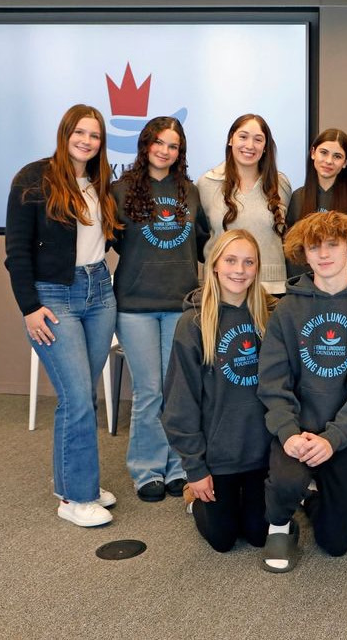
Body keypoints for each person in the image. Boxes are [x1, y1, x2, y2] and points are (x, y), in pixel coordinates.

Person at [5, 104, 119, 527]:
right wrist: (29, 308)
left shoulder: (101, 182)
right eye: (81, 133)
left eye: (95, 136)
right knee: (76, 399)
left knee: (81, 397)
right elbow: (16, 252)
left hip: (99, 292)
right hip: (54, 298)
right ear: (65, 132)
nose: (87, 141)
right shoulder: (33, 179)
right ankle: (76, 498)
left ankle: (70, 482)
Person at [257, 211, 347, 571]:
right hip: (297, 429)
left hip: (345, 436)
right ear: (304, 253)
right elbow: (273, 381)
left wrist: (334, 438)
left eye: (333, 244)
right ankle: (279, 524)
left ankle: (313, 496)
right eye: (314, 247)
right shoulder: (287, 309)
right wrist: (289, 432)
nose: (324, 254)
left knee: (336, 543)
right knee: (284, 484)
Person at [111, 116, 208, 502]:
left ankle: (178, 467)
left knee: (176, 392)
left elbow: (200, 243)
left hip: (180, 304)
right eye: (160, 143)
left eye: (174, 146)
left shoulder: (191, 191)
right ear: (145, 144)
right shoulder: (120, 190)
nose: (166, 151)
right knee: (149, 392)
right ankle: (147, 468)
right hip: (135, 305)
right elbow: (116, 243)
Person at [161, 230, 274, 552]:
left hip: (261, 454)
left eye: (248, 262)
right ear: (214, 266)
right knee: (222, 541)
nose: (239, 270)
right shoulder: (194, 323)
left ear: (257, 269)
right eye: (231, 260)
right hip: (217, 456)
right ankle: (193, 496)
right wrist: (195, 469)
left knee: (257, 536)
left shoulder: (270, 317)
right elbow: (179, 403)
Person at [197, 114, 291, 295]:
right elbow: (201, 238)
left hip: (271, 289)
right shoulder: (207, 183)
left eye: (258, 140)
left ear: (265, 147)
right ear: (231, 139)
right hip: (222, 289)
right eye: (243, 137)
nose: (250, 145)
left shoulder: (281, 184)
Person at [286, 128, 347, 284]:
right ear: (313, 153)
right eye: (323, 152)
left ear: (345, 163)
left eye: (337, 156)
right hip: (305, 290)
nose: (329, 161)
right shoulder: (298, 198)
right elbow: (293, 253)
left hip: (344, 291)